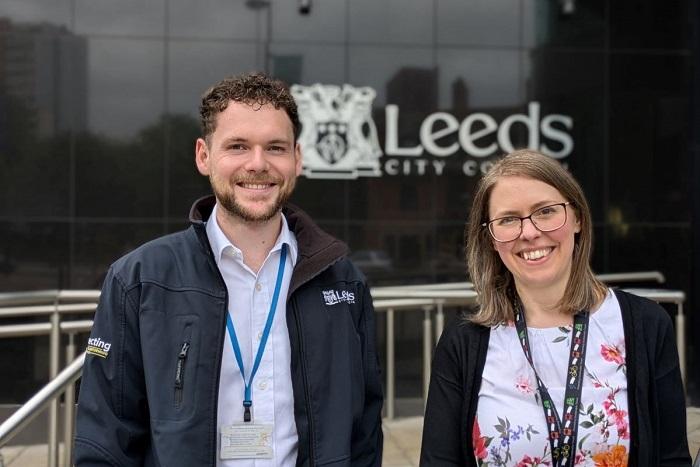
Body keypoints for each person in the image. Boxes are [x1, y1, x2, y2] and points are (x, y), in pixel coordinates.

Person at [74, 72, 383, 466]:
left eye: (275, 147)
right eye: (238, 146)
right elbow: (104, 440)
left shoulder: (343, 283)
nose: (258, 164)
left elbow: (365, 432)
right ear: (204, 156)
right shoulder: (139, 279)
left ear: (297, 158)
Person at [420, 150, 691, 466]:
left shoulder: (646, 326)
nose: (530, 232)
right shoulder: (464, 341)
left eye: (545, 211)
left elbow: (672, 460)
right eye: (508, 219)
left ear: (577, 218)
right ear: (491, 239)